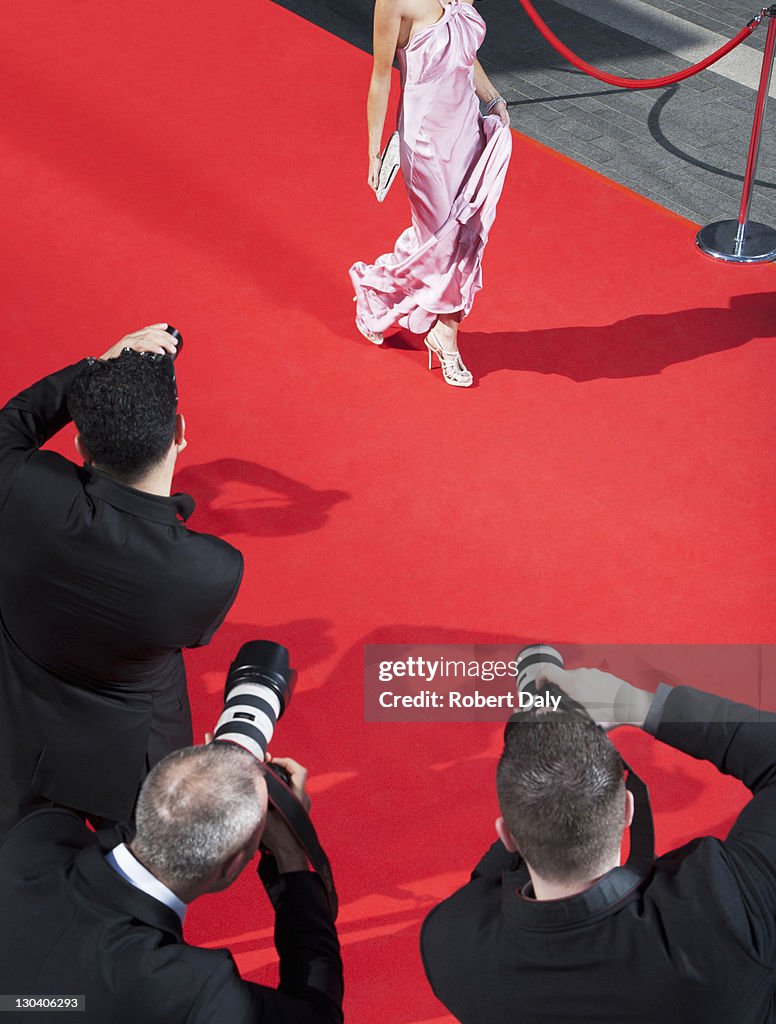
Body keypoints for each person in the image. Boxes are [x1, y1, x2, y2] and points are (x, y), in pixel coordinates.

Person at [420, 664, 776, 1023]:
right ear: (627, 808)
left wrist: (534, 781)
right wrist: (633, 704)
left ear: (506, 835)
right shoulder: (724, 913)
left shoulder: (451, 947)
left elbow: (486, 884)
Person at [0, 325, 244, 837]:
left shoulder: (23, 489)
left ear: (80, 443)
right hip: (131, 766)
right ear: (179, 431)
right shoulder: (211, 568)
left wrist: (95, 368)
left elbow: (15, 421)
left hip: (17, 735)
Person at [0, 744, 344, 1023]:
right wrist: (291, 859)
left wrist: (203, 779)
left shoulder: (36, 840)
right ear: (231, 867)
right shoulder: (190, 988)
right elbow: (318, 1015)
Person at [349, 0, 512, 388]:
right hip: (425, 143)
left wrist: (492, 97)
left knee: (461, 236)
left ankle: (377, 292)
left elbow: (464, 52)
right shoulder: (393, 2)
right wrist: (374, 149)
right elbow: (380, 78)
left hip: (466, 131)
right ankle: (445, 336)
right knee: (447, 242)